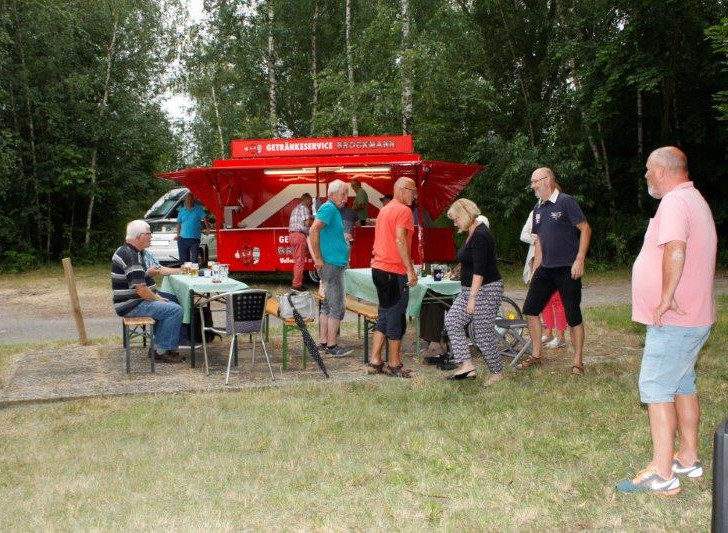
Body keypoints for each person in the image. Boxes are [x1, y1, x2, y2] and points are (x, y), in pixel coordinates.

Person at [616, 147, 717, 496]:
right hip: (693, 316)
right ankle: (687, 459)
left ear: (661, 170)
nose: (645, 176)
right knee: (682, 384)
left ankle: (662, 473)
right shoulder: (694, 199)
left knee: (657, 388)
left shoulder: (674, 202)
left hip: (675, 317)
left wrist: (666, 296)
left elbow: (676, 248)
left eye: (647, 170)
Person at [518, 168, 591, 374]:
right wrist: (535, 268)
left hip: (568, 268)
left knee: (573, 315)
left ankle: (577, 362)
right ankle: (536, 355)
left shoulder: (566, 201)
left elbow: (585, 228)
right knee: (530, 309)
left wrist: (579, 259)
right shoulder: (538, 207)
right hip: (546, 269)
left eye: (534, 181)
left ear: (547, 180)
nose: (532, 186)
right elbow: (539, 240)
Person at [443, 199, 505, 386]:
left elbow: (480, 270)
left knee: (482, 333)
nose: (455, 223)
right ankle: (467, 364)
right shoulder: (471, 232)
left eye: (456, 219)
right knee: (453, 320)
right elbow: (468, 261)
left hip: (485, 289)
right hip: (470, 289)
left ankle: (497, 372)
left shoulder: (480, 235)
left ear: (465, 214)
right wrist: (454, 272)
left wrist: (472, 299)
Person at [366, 177, 418, 378]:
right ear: (402, 190)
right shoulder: (404, 211)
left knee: (385, 315)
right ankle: (394, 364)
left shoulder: (384, 210)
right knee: (396, 317)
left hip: (378, 268)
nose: (414, 196)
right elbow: (400, 239)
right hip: (394, 271)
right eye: (412, 192)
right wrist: (410, 270)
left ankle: (375, 361)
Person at [112, 220, 184, 364]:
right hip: (132, 305)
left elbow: (139, 284)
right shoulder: (131, 256)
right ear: (139, 236)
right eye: (149, 234)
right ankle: (160, 351)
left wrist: (157, 297)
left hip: (134, 301)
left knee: (174, 302)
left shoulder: (130, 251)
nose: (151, 237)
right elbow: (141, 290)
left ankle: (162, 346)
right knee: (174, 310)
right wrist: (158, 299)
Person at [309, 180, 353, 357]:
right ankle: (333, 346)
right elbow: (313, 230)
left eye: (346, 194)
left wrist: (341, 239)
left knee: (327, 305)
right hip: (332, 264)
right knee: (337, 306)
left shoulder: (331, 209)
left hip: (332, 263)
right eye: (343, 194)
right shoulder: (329, 208)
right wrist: (318, 258)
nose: (346, 198)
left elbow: (324, 233)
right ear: (332, 194)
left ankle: (324, 342)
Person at [521, 209, 567, 349]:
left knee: (557, 300)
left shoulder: (562, 210)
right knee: (543, 299)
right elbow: (524, 235)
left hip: (557, 259)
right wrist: (539, 240)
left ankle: (560, 336)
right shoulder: (535, 212)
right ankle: (548, 332)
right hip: (539, 257)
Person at [175, 192, 211, 264]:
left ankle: (194, 274)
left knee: (194, 260)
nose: (189, 201)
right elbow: (178, 223)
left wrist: (208, 228)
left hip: (194, 239)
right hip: (182, 238)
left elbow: (205, 219)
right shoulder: (181, 210)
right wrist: (178, 235)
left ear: (193, 200)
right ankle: (185, 274)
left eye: (191, 199)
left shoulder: (199, 209)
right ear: (185, 201)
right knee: (184, 261)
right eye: (187, 199)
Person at [288, 192, 313, 291]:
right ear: (306, 199)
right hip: (299, 235)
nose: (311, 203)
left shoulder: (295, 209)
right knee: (299, 262)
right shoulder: (304, 208)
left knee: (296, 261)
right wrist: (315, 221)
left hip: (292, 235)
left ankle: (298, 282)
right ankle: (297, 285)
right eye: (310, 201)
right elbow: (307, 223)